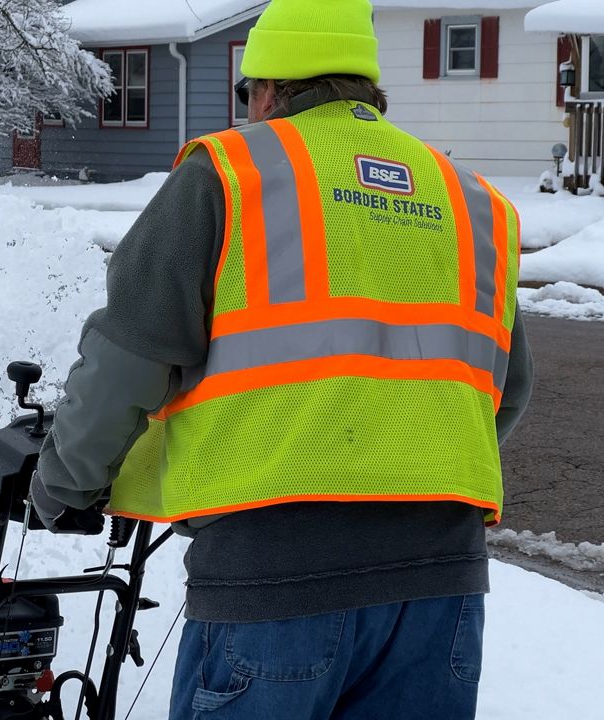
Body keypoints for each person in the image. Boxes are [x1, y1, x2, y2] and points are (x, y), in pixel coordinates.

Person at [28, 0, 533, 717]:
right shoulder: (470, 202)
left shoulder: (231, 173)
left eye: (246, 95)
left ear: (267, 89)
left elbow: (128, 359)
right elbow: (503, 392)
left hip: (274, 582)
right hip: (441, 588)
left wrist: (65, 483)